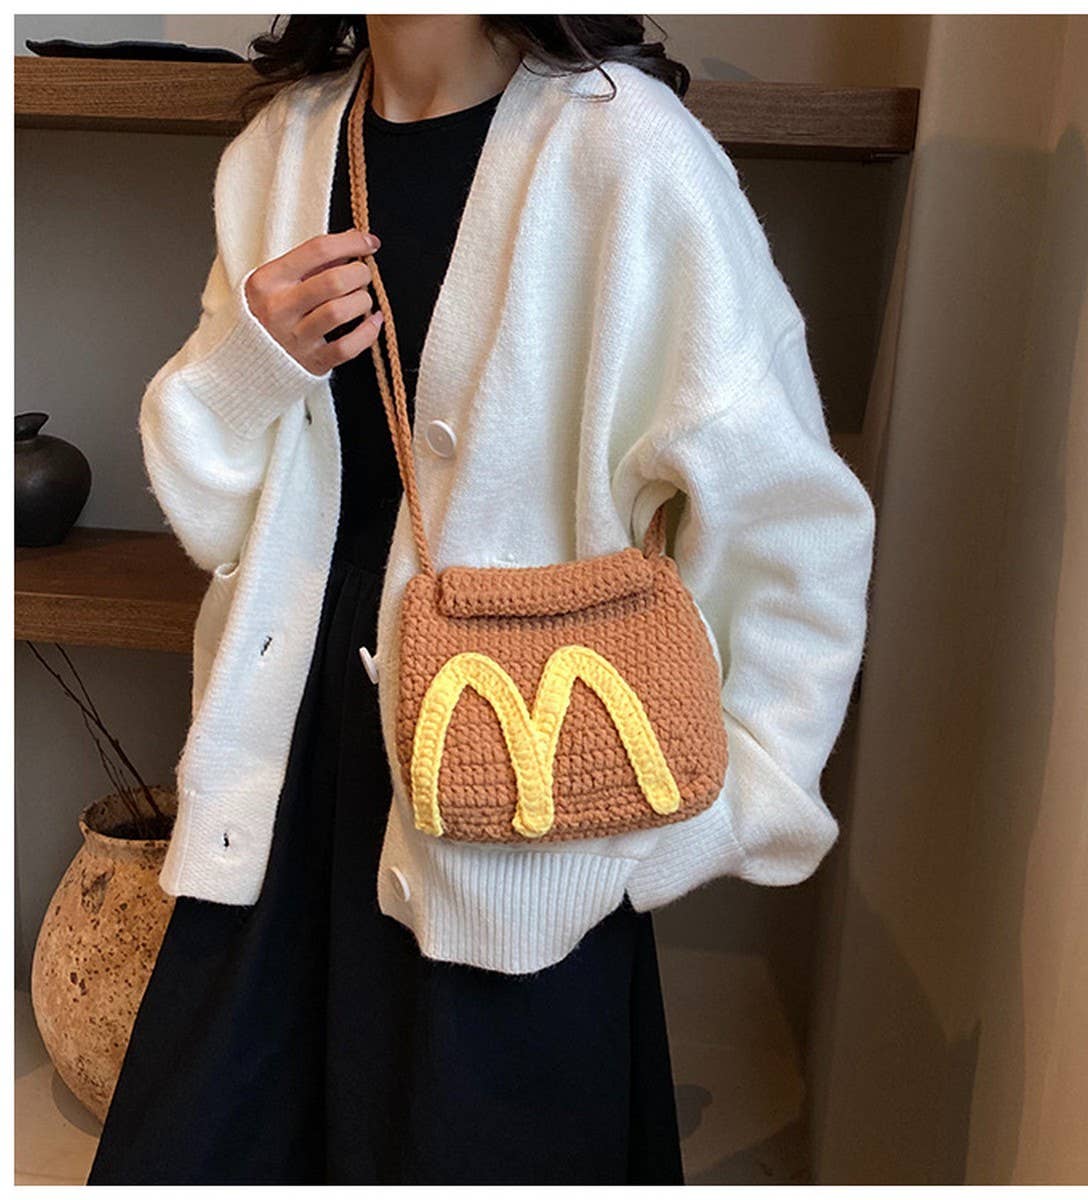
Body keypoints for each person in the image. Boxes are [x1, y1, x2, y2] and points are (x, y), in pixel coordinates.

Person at [86, 13, 875, 1186]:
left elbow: (792, 523)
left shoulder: (628, 149)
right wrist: (252, 366)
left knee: (484, 1132)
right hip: (295, 750)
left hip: (523, 775)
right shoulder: (279, 149)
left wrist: (724, 807)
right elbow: (216, 519)